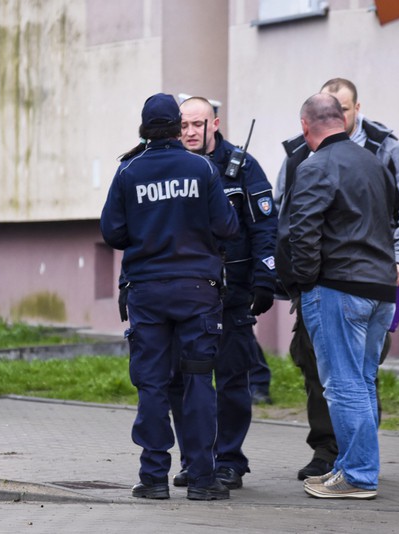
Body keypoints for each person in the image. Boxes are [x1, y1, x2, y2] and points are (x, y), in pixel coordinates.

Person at [276, 78, 399, 480]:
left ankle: (358, 475)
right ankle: (352, 468)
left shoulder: (315, 164)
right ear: (343, 119)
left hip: (339, 289)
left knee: (343, 388)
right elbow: (394, 216)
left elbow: (300, 231)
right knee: (361, 382)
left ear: (306, 127)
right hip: (380, 288)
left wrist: (304, 283)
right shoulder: (375, 161)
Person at [100, 93, 239, 501]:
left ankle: (153, 478)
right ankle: (202, 479)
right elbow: (226, 226)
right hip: (198, 292)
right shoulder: (201, 168)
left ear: (144, 128)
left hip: (147, 294)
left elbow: (113, 233)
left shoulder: (128, 172)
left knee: (153, 384)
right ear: (179, 127)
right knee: (198, 382)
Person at [169, 96, 277, 491]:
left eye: (198, 124)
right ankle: (196, 459)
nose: (190, 132)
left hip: (232, 294)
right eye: (183, 125)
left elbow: (265, 226)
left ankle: (230, 460)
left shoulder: (243, 167)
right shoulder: (172, 166)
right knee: (185, 381)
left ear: (215, 124)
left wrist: (265, 279)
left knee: (232, 381)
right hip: (186, 294)